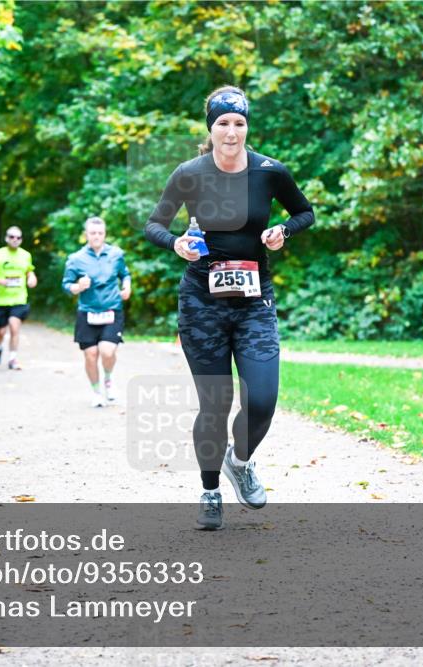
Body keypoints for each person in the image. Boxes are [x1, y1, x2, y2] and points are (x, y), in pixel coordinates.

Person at [144, 86, 314, 530]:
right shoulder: (189, 173)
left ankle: (239, 461)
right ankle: (210, 491)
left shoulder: (270, 172)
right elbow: (154, 224)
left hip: (255, 302)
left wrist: (283, 231)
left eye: (239, 123)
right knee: (215, 404)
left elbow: (304, 212)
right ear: (211, 127)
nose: (232, 131)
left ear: (247, 126)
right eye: (223, 123)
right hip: (202, 303)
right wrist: (177, 243)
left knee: (262, 399)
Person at [62, 217, 131, 407]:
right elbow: (66, 285)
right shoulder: (75, 259)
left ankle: (108, 380)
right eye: (93, 233)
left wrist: (127, 287)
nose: (97, 236)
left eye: (100, 233)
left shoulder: (116, 254)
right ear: (86, 235)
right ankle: (96, 392)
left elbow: (125, 274)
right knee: (90, 354)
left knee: (107, 351)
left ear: (105, 234)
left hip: (112, 309)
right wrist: (77, 286)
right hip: (87, 312)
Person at [0, 226, 37, 370]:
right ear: (6, 238)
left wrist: (32, 279)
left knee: (14, 326)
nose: (15, 240)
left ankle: (13, 359)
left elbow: (29, 272)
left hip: (19, 298)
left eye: (18, 237)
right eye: (12, 237)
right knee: (1, 331)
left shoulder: (26, 255)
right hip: (0, 300)